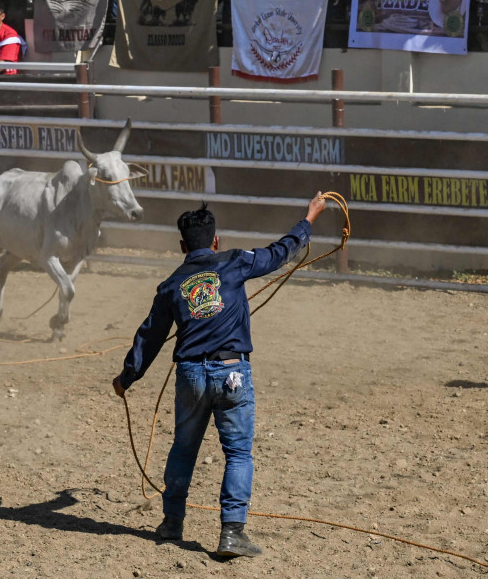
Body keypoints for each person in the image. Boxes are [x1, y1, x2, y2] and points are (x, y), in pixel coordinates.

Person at [112, 193, 327, 557]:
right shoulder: (235, 261)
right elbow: (279, 253)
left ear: (183, 246)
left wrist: (126, 378)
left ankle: (172, 522)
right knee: (238, 453)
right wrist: (309, 219)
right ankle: (232, 533)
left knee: (183, 448)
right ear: (216, 241)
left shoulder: (170, 285)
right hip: (232, 372)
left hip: (191, 374)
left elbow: (150, 336)